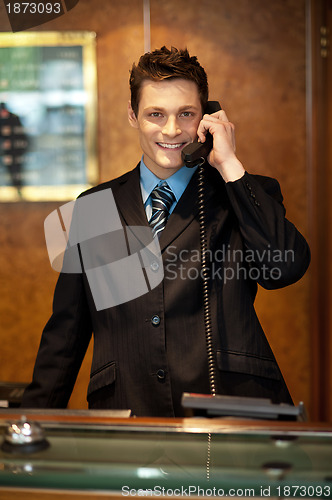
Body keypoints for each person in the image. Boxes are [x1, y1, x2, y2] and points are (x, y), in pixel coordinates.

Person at [21, 46, 310, 417]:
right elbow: (66, 334)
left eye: (186, 114)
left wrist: (229, 163)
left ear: (206, 118)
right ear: (133, 116)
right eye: (155, 114)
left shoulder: (241, 192)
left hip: (231, 410)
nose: (172, 130)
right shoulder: (95, 208)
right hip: (130, 408)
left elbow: (284, 269)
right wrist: (28, 423)